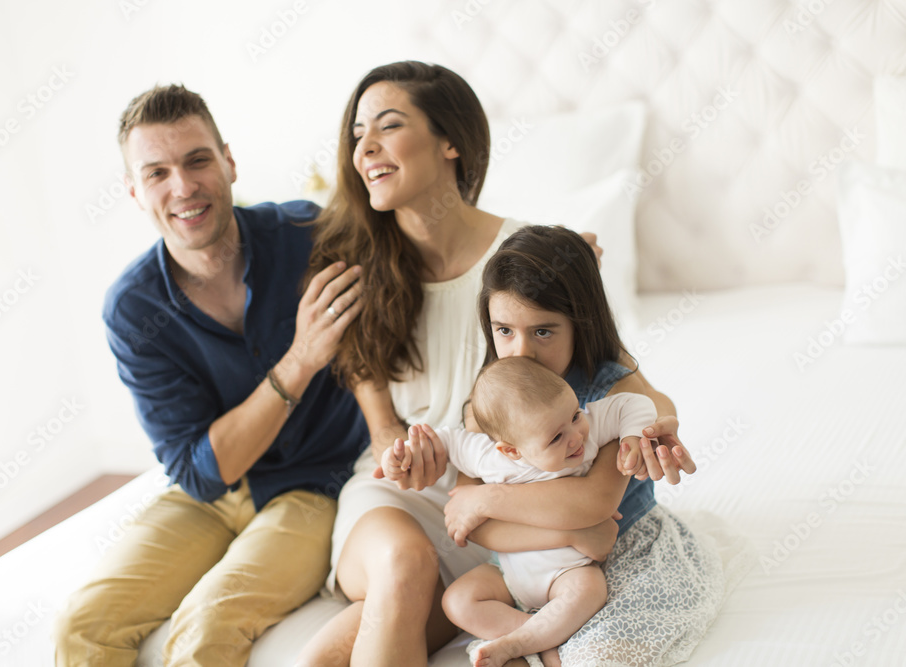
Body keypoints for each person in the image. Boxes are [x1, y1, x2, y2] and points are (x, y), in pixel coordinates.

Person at [296, 61, 693, 667]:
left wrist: (651, 432)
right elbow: (382, 434)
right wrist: (405, 456)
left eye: (388, 126)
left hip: (499, 508)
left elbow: (632, 386)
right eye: (356, 134)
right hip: (400, 502)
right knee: (402, 565)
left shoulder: (527, 259)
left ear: (451, 140)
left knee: (324, 657)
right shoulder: (359, 269)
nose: (364, 148)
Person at [52, 83, 370, 667]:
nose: (183, 187)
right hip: (211, 497)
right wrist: (300, 361)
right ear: (133, 191)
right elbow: (200, 474)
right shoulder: (133, 308)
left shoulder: (308, 237)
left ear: (228, 161)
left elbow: (417, 267)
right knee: (82, 625)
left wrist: (529, 254)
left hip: (313, 486)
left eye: (197, 160)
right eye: (157, 172)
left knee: (207, 622)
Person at [443, 224, 736, 666]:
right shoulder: (491, 408)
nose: (521, 351)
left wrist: (485, 497)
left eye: (543, 331)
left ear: (580, 324)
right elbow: (470, 526)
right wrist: (568, 532)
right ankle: (541, 640)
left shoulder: (602, 399)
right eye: (504, 330)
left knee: (602, 657)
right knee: (462, 603)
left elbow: (593, 503)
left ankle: (557, 645)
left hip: (624, 551)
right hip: (529, 567)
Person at [382, 356, 657, 667]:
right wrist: (403, 455)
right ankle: (536, 635)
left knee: (589, 591)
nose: (575, 436)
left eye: (575, 415)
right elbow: (444, 441)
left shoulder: (588, 432)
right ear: (511, 450)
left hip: (568, 571)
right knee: (457, 601)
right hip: (509, 574)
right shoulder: (489, 459)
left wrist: (633, 437)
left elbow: (634, 404)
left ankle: (527, 642)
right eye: (556, 437)